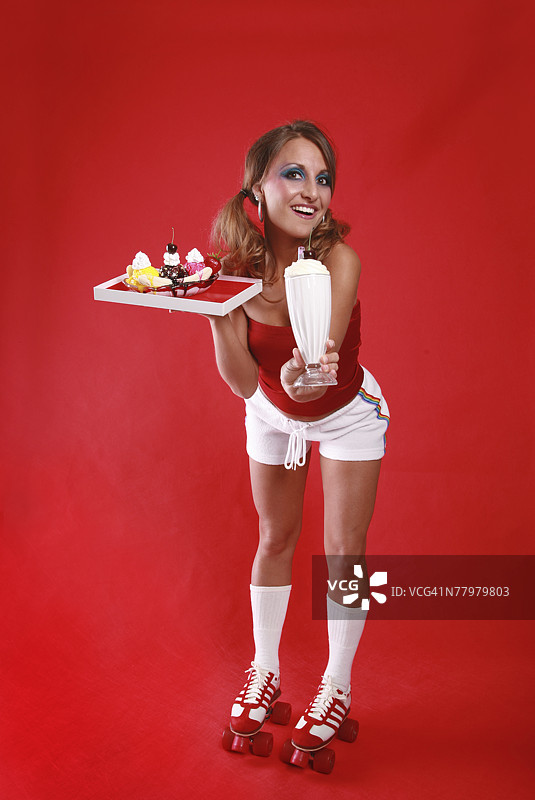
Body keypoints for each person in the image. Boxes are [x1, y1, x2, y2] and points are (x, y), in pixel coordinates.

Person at [208, 120, 389, 752]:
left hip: (344, 411)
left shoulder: (339, 261)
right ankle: (265, 670)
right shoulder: (234, 272)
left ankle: (337, 682)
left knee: (345, 552)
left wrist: (300, 377)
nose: (312, 189)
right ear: (257, 187)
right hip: (270, 410)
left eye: (323, 177)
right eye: (293, 173)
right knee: (275, 537)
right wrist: (213, 311)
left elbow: (318, 371)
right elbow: (241, 382)